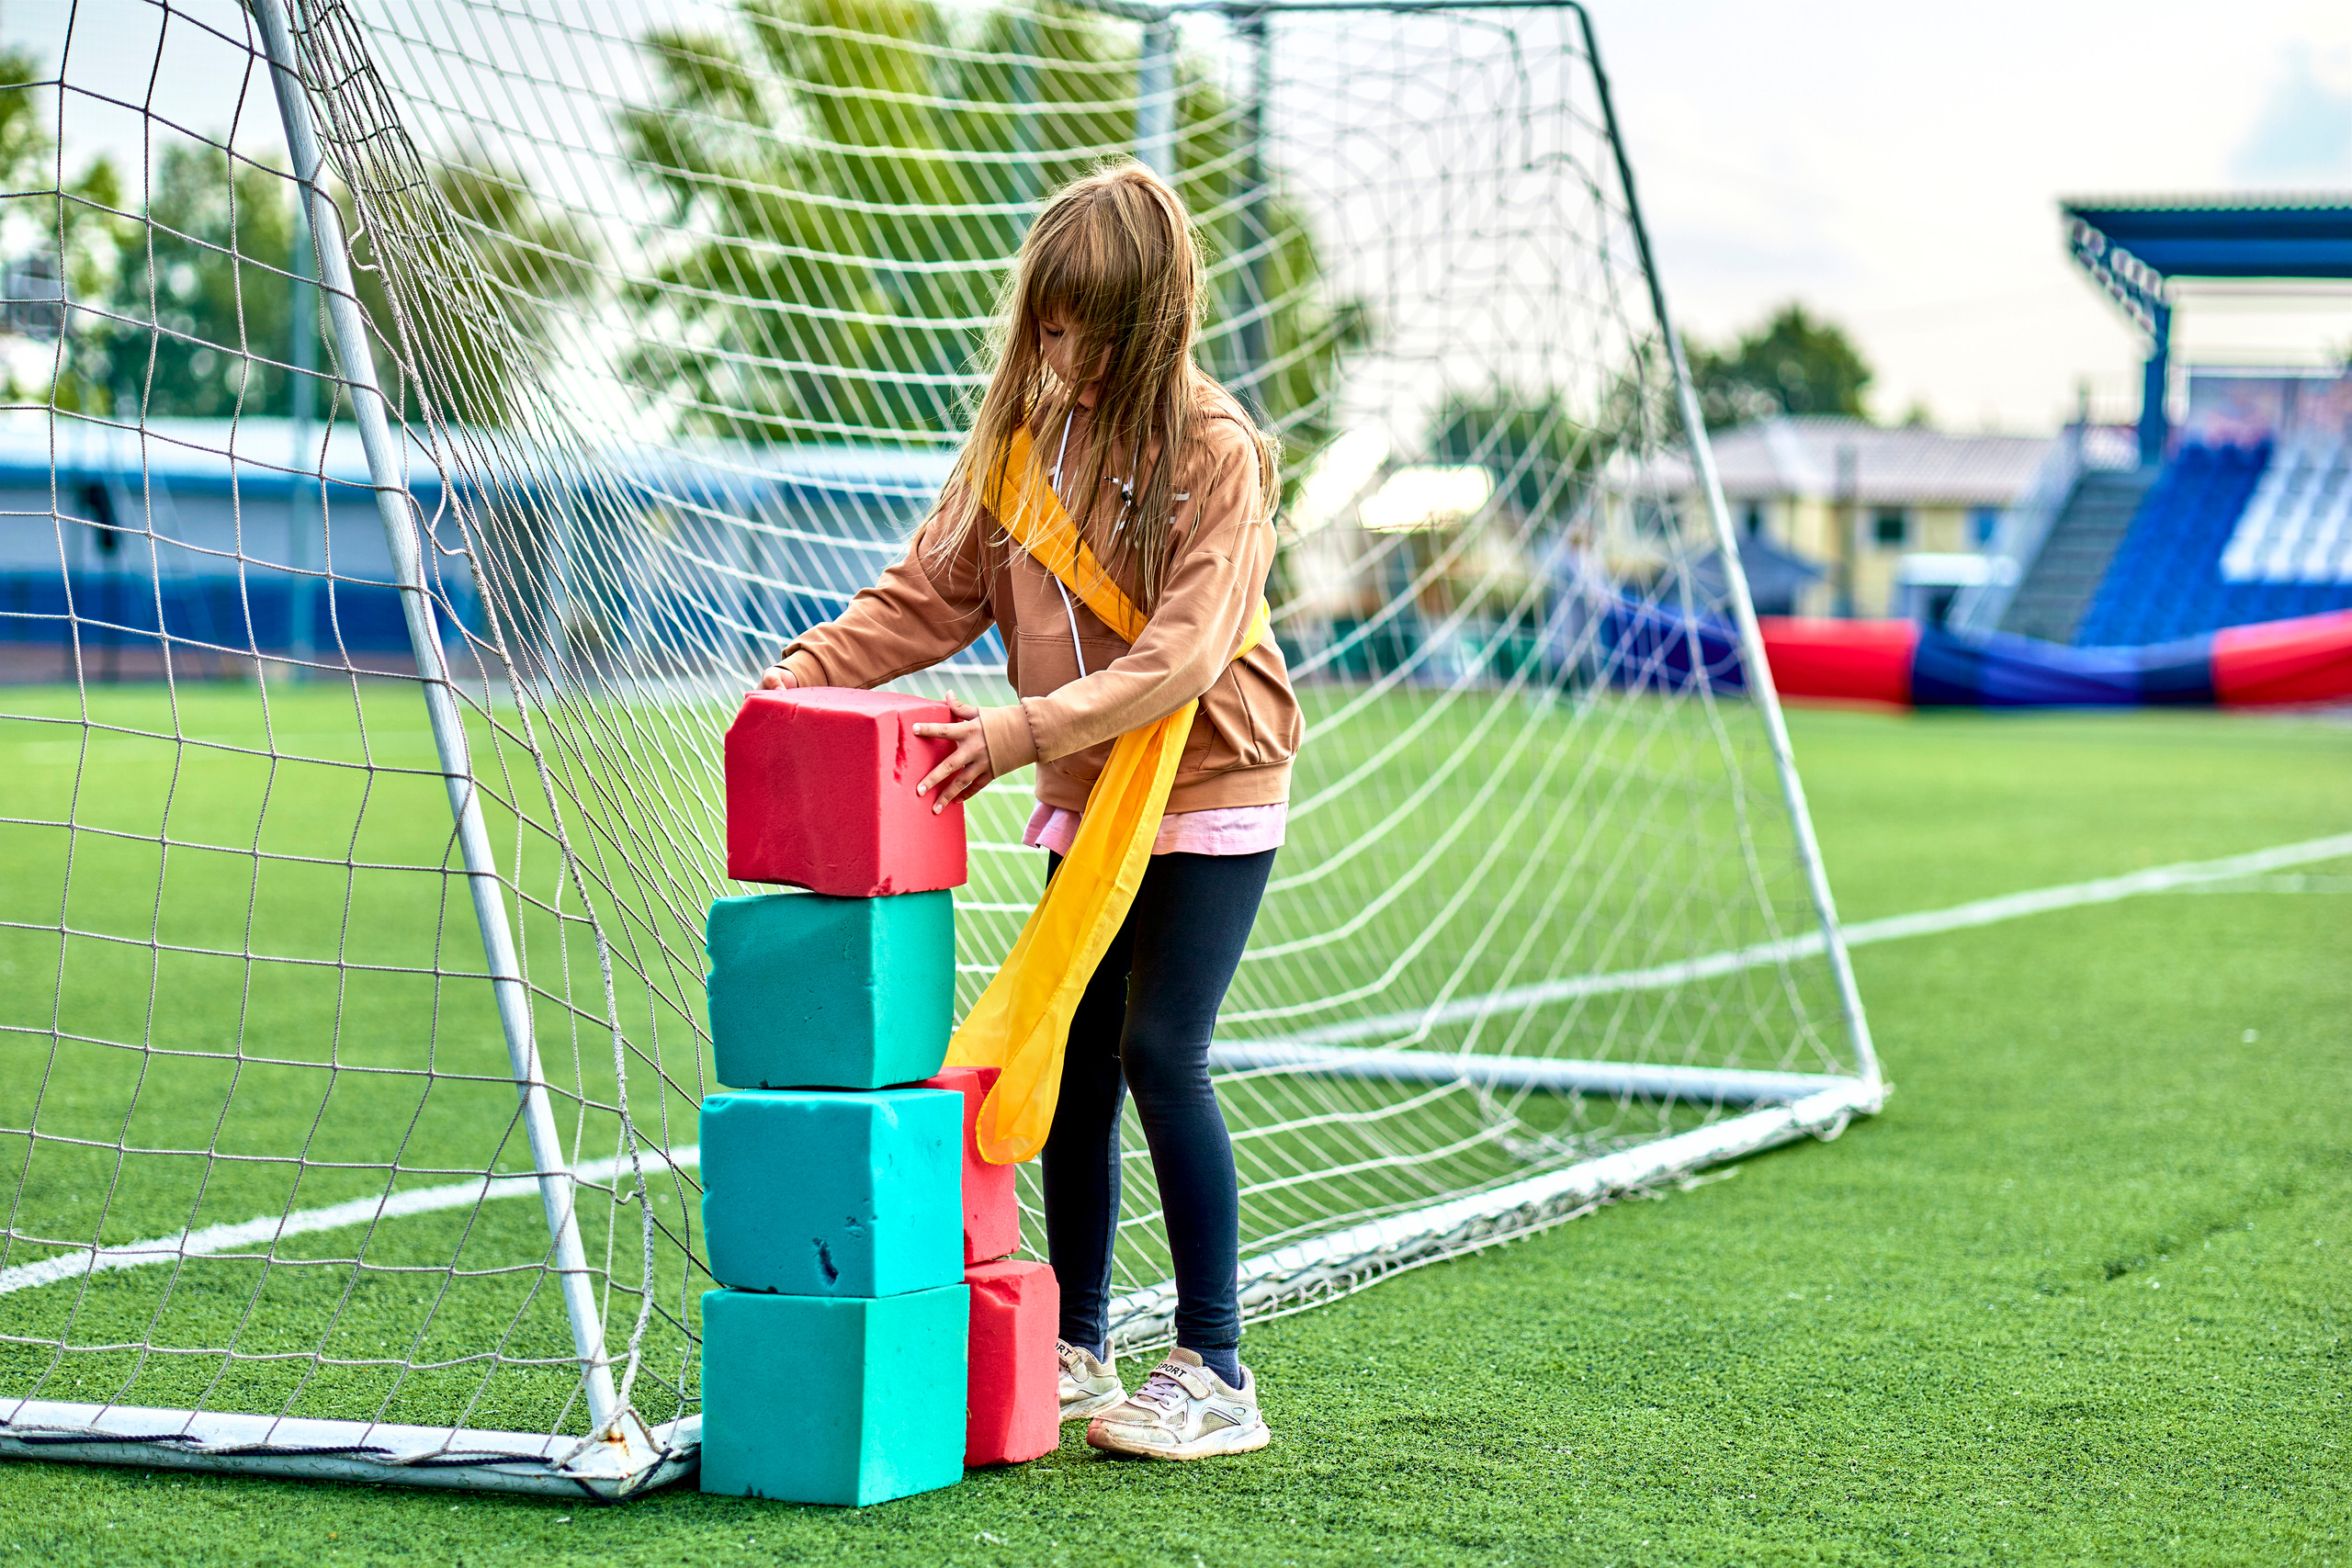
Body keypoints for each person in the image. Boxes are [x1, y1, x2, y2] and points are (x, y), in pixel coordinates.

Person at [754, 161, 1300, 1461]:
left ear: (1155, 322)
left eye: (1094, 330)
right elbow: (926, 599)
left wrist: (1018, 732)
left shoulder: (1218, 452)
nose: (1068, 354)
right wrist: (801, 675)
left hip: (1209, 785)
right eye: (1052, 326)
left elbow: (1183, 650)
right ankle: (1078, 1344)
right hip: (1083, 790)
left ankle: (1218, 1369)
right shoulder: (1020, 448)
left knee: (1163, 1050)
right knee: (1070, 1062)